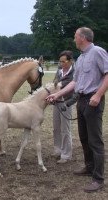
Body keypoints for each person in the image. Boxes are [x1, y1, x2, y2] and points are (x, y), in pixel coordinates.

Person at [46, 27, 108, 193]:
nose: (74, 39)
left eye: (75, 36)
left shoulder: (98, 52)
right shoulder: (80, 58)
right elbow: (74, 83)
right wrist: (57, 94)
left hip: (93, 100)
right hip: (81, 100)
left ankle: (98, 178)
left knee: (95, 140)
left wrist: (98, 95)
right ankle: (89, 167)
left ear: (83, 38)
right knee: (84, 137)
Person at [51, 50, 74, 164]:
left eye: (63, 62)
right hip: (56, 102)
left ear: (70, 61)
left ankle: (66, 154)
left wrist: (68, 102)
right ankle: (58, 149)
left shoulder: (74, 73)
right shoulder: (59, 71)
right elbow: (54, 82)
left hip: (66, 103)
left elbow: (72, 88)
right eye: (60, 62)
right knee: (56, 127)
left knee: (65, 129)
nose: (61, 64)